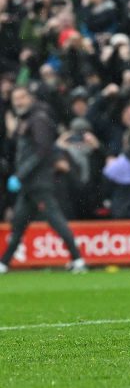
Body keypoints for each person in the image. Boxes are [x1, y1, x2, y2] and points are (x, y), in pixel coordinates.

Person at [0, 86, 87, 274]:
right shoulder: (28, 119)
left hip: (38, 182)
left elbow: (42, 151)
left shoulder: (38, 119)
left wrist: (20, 174)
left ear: (30, 98)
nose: (18, 102)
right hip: (29, 184)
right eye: (15, 99)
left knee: (55, 220)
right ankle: (4, 263)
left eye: (21, 97)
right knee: (18, 224)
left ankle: (78, 259)